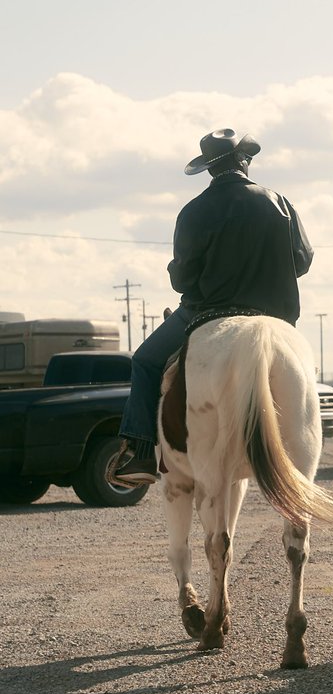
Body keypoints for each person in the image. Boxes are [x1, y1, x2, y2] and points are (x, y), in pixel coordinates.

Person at [109, 129, 314, 487]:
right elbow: (303, 262)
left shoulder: (194, 211)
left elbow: (183, 280)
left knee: (144, 361)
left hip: (208, 313)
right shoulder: (280, 203)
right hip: (276, 316)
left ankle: (139, 453)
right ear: (244, 162)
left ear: (210, 169)